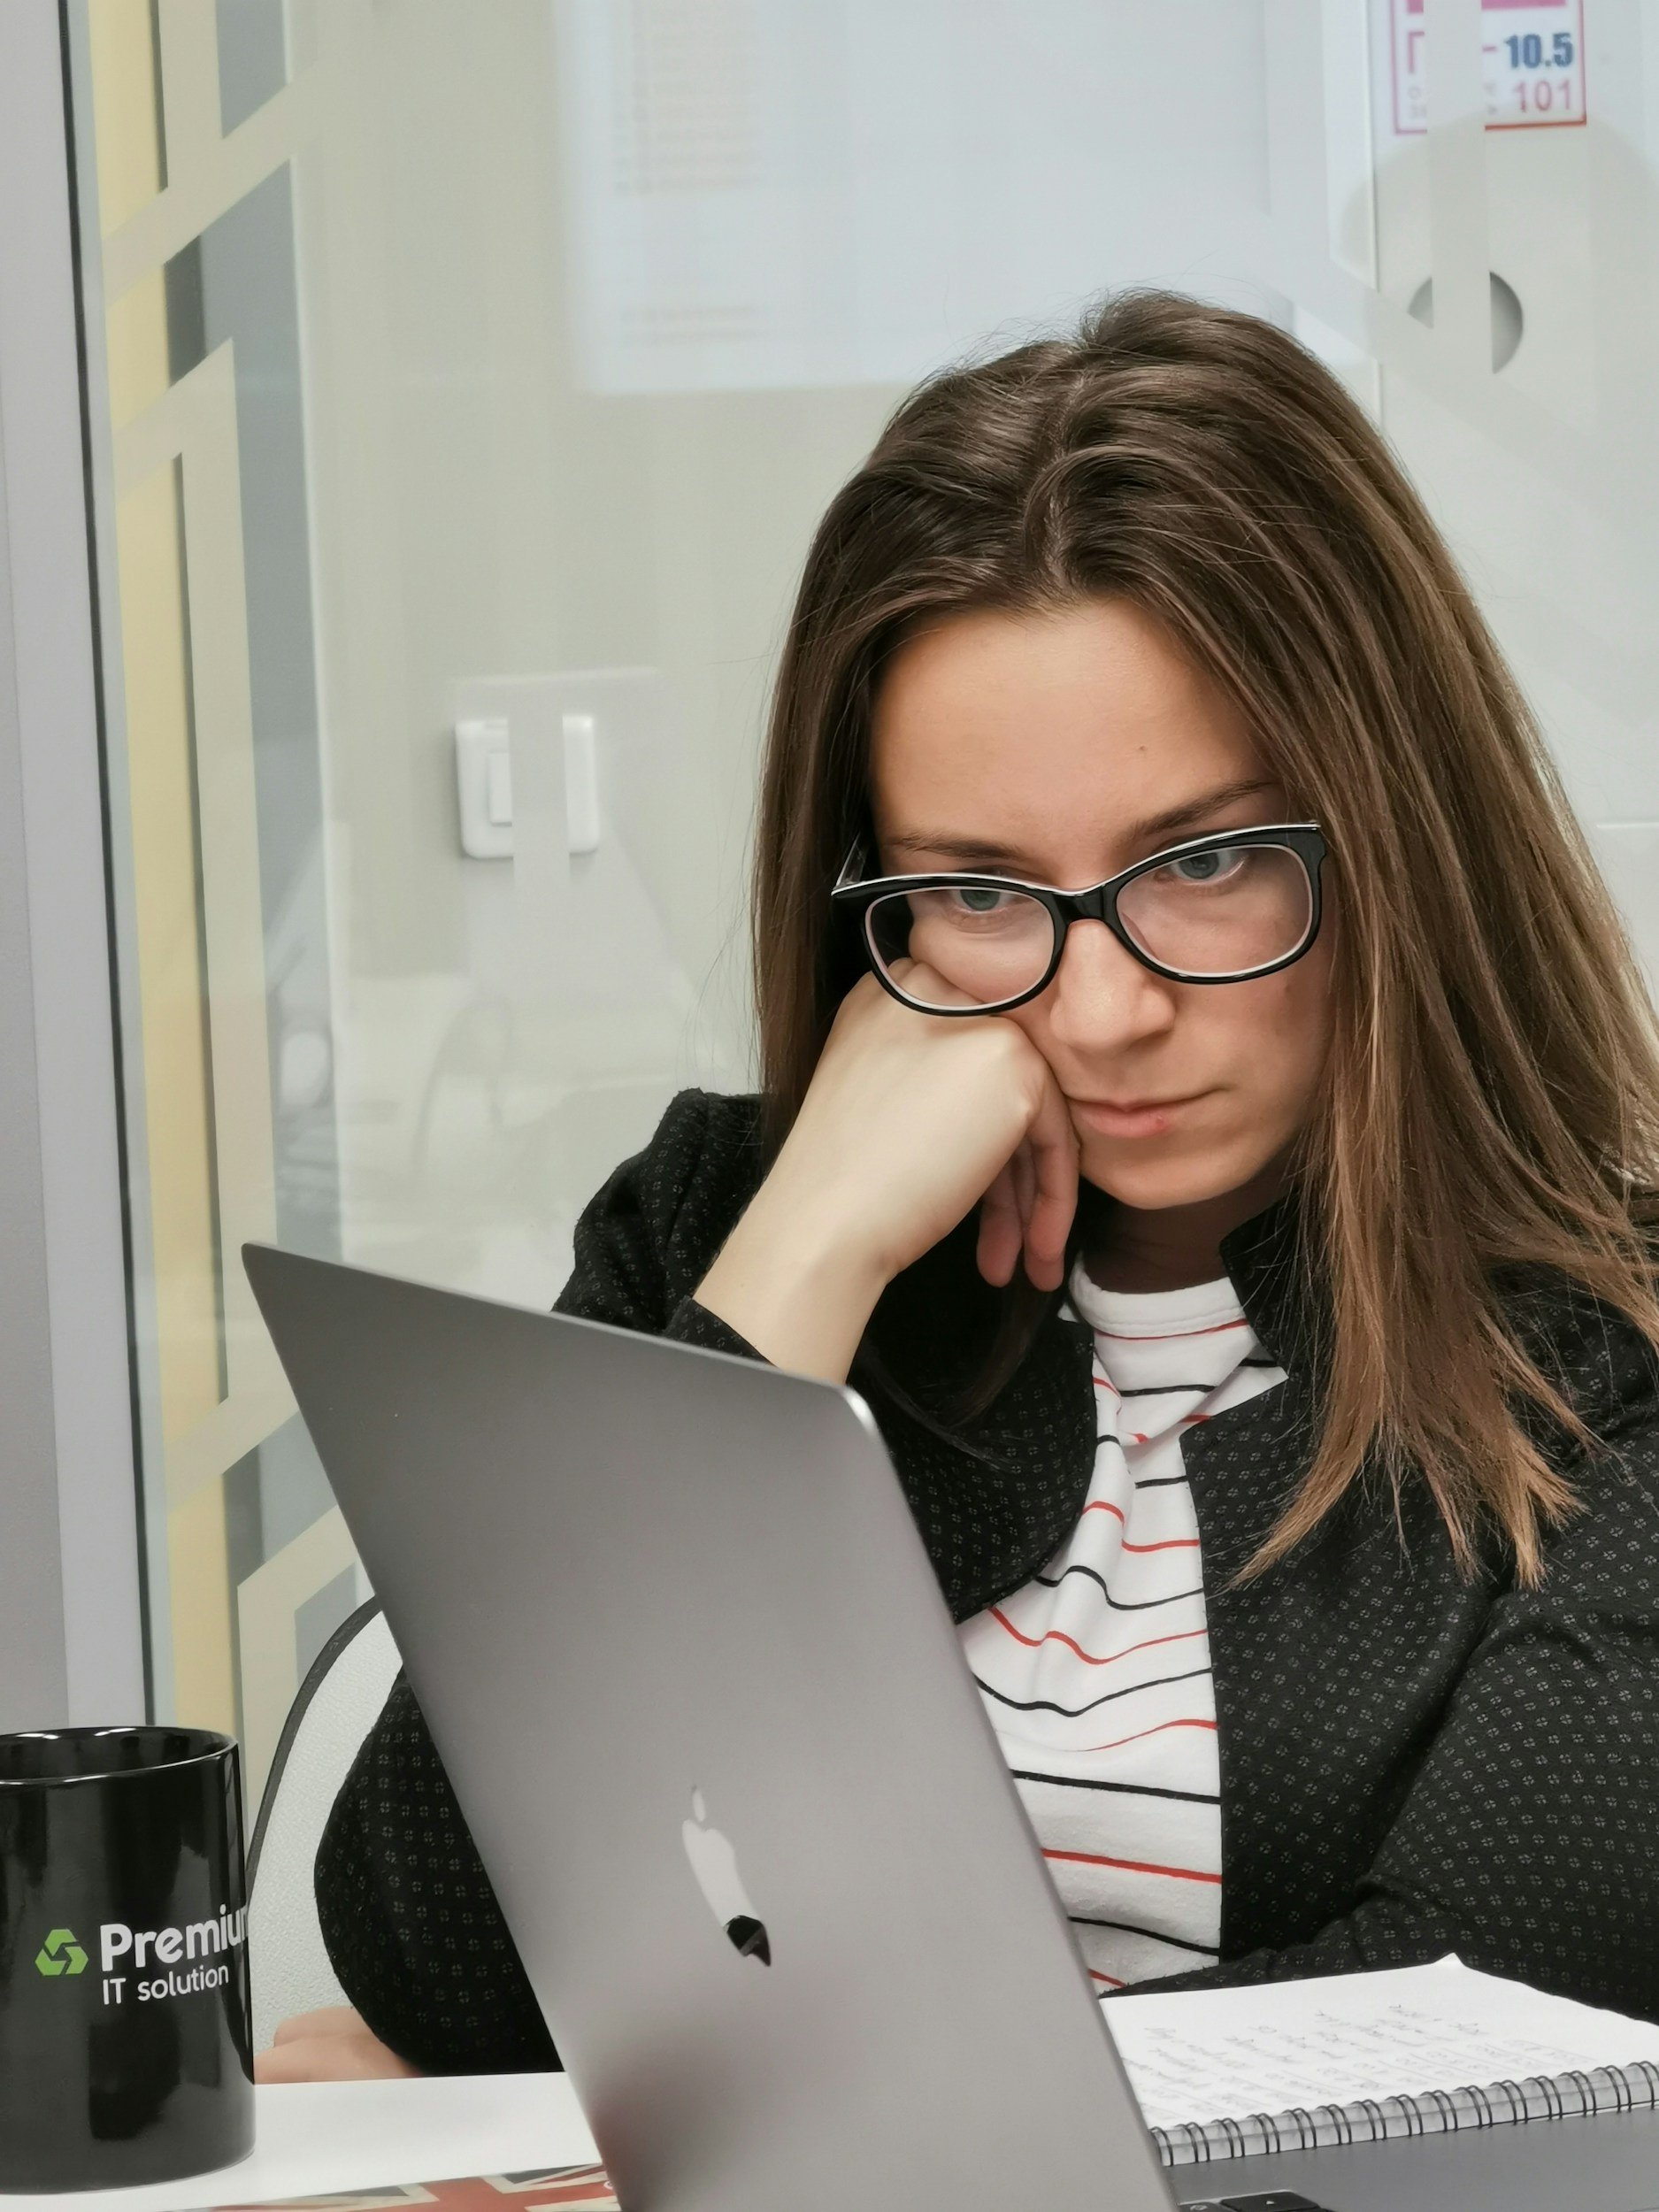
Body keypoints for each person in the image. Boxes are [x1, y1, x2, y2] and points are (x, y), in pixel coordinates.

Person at [259, 290, 1659, 2085]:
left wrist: (731, 2075)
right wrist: (796, 1269)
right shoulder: (719, 1227)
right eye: (982, 890)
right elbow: (441, 1965)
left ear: (1392, 829)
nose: (1104, 1007)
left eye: (1210, 858)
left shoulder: (1609, 1349)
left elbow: (1476, 2039)